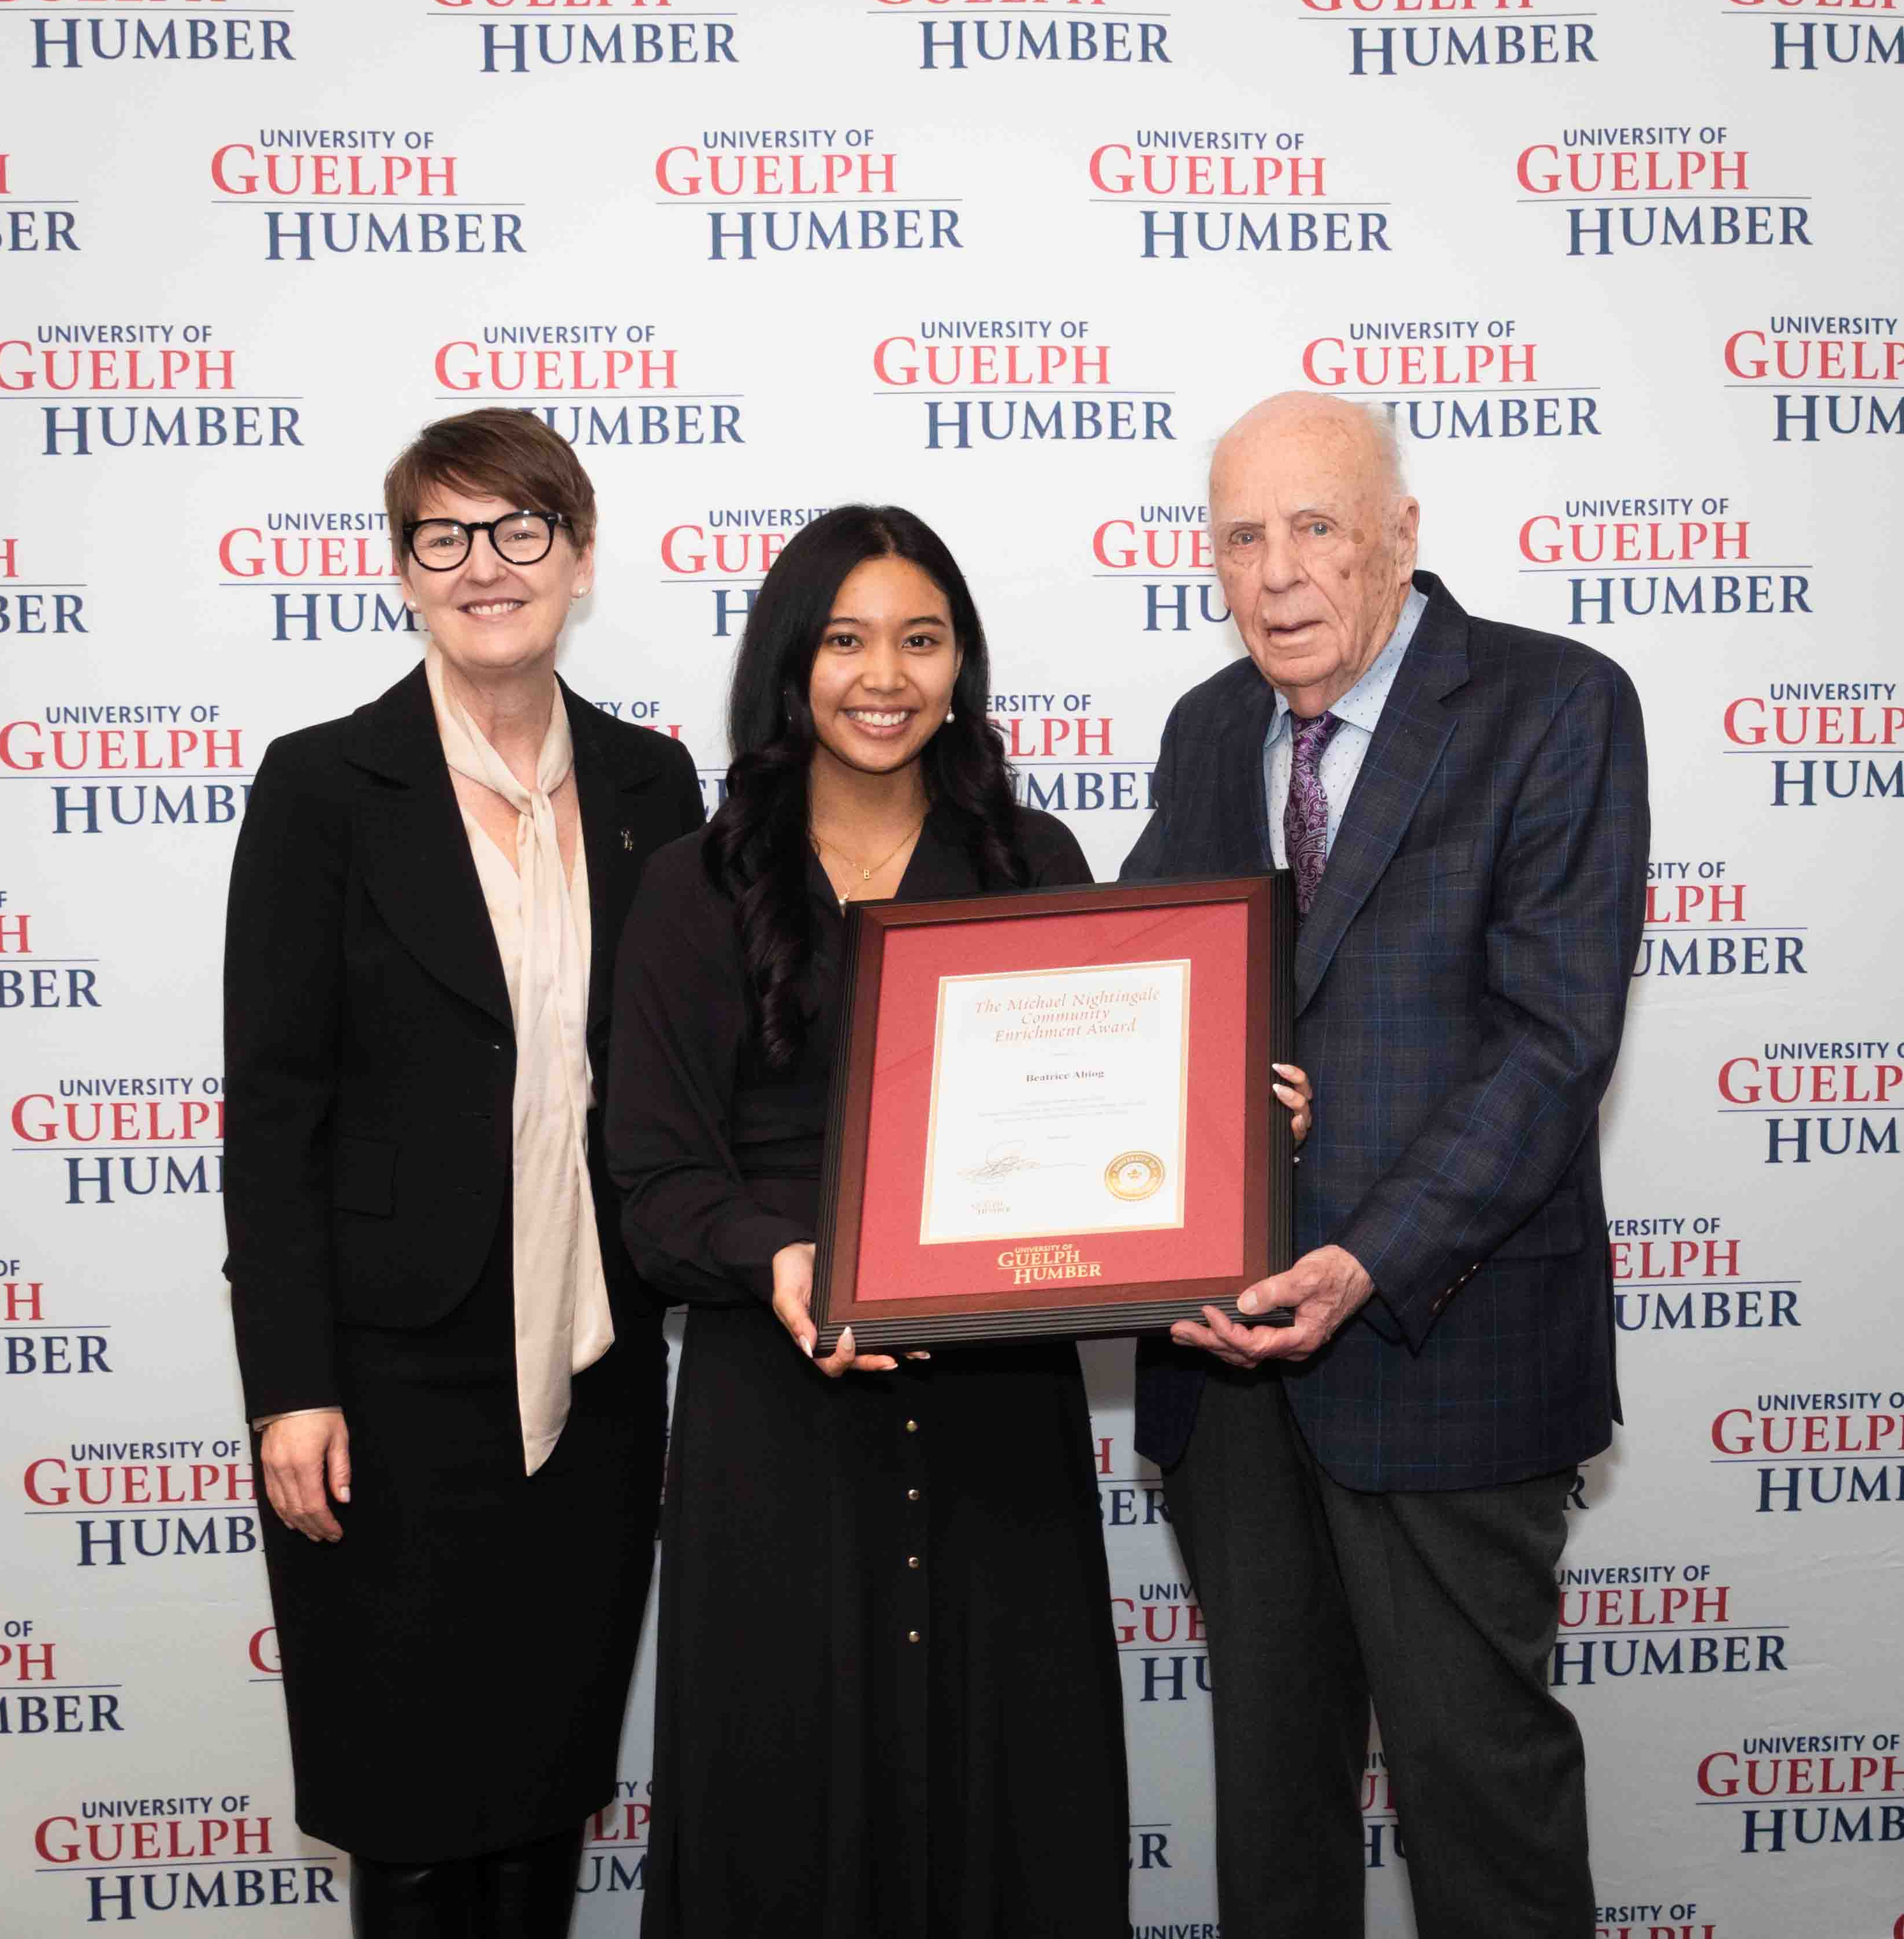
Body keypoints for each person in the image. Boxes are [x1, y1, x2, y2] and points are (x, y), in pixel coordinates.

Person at [606, 504, 1307, 1938]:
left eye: (921, 640)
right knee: (786, 1810)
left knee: (1016, 1807)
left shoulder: (1030, 858)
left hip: (999, 1421)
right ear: (792, 662)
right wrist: (782, 1259)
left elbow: (1114, 1116)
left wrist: (1233, 1126)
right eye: (849, 639)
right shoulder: (693, 882)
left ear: (960, 664)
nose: (885, 674)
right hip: (780, 1412)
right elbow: (656, 1185)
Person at [1123, 392, 1648, 1938]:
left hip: (1447, 1346)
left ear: (1401, 537)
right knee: (1276, 1824)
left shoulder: (1556, 706)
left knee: (1480, 1813)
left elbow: (1555, 1046)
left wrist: (1367, 1256)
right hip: (1232, 1381)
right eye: (1241, 536)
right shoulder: (1211, 728)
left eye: (1316, 527)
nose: (1276, 573)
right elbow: (1168, 994)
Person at [221, 407, 703, 1938]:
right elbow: (277, 1110)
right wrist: (290, 1384)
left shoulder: (651, 785)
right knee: (411, 1783)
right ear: (404, 571)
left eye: (520, 531)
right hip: (388, 1378)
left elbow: (693, 1067)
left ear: (577, 555)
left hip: (599, 1360)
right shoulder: (322, 788)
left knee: (550, 1766)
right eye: (446, 535)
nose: (485, 565)